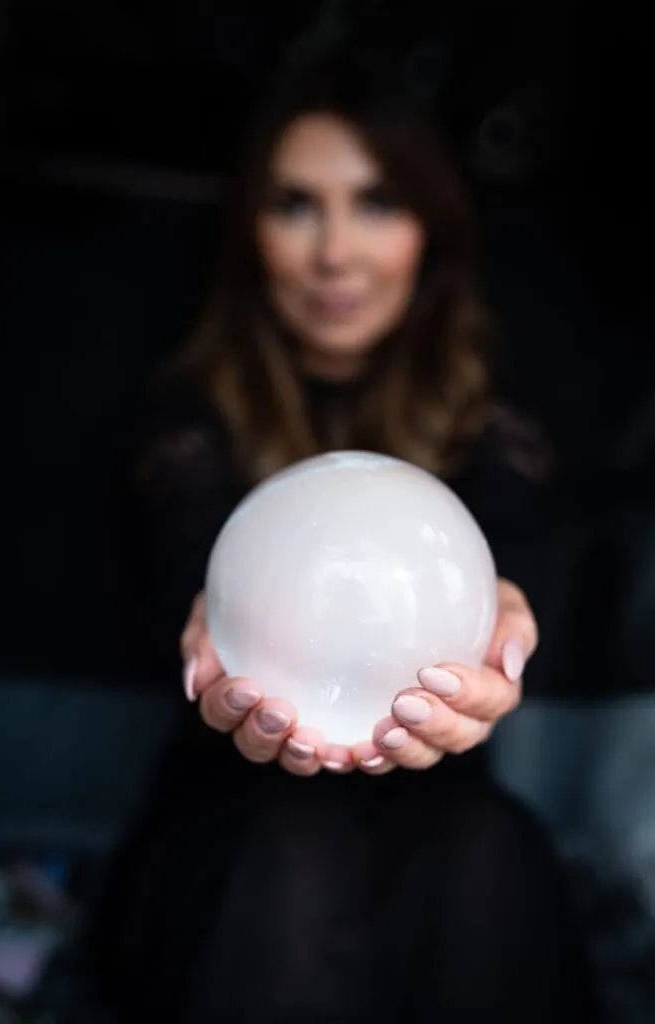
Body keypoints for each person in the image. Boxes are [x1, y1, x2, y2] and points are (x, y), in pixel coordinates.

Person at [92, 48, 597, 1024]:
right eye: (294, 205)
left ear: (430, 231)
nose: (334, 253)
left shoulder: (500, 422)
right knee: (292, 845)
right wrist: (206, 614)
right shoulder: (187, 417)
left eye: (375, 203)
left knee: (488, 848)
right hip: (229, 828)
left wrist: (506, 625)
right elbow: (188, 573)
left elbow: (509, 569)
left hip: (444, 820)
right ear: (250, 232)